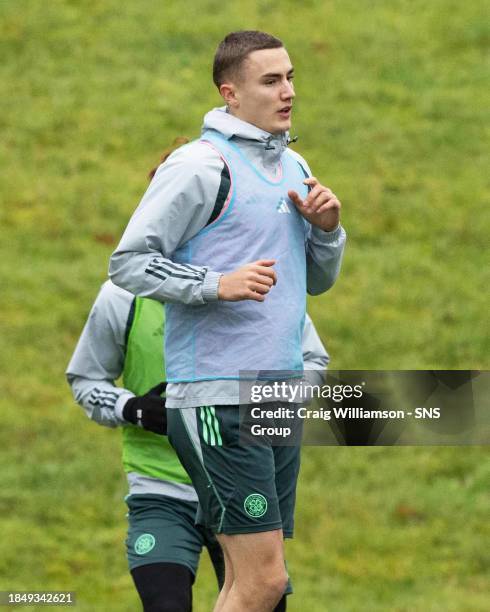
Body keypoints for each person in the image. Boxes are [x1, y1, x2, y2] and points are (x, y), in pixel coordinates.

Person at [109, 30, 346, 611]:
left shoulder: (294, 164)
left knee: (253, 584)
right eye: (270, 80)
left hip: (275, 396)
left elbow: (313, 282)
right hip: (217, 395)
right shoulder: (199, 166)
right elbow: (129, 263)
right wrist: (218, 285)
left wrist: (328, 231)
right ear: (231, 93)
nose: (288, 91)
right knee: (262, 583)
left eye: (290, 77)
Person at [66, 279, 329, 611]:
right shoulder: (123, 296)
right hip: (160, 491)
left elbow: (312, 363)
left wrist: (248, 405)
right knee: (165, 604)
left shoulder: (261, 288)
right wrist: (132, 409)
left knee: (265, 595)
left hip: (238, 481)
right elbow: (86, 378)